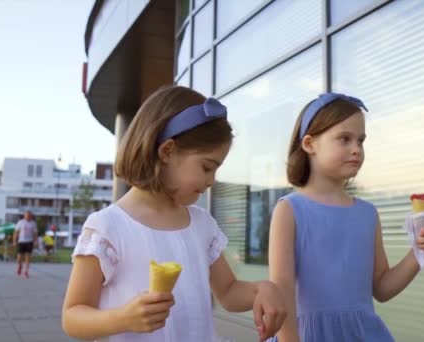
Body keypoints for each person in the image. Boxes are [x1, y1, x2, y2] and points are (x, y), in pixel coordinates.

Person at [62, 86, 287, 342]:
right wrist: (123, 318)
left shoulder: (202, 224)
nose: (212, 180)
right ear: (167, 151)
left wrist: (262, 289)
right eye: (207, 167)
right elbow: (72, 317)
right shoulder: (107, 227)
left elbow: (228, 291)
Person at [267, 93, 424, 342]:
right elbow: (281, 296)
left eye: (360, 141)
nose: (356, 149)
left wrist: (419, 252)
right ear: (309, 144)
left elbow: (382, 288)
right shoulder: (289, 210)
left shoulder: (367, 213)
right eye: (344, 139)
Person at [13, 211, 38, 278]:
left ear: (31, 216)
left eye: (29, 215)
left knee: (28, 257)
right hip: (21, 241)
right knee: (19, 258)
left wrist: (35, 241)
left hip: (29, 242)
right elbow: (16, 232)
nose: (28, 216)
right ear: (24, 216)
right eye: (26, 215)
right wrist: (14, 241)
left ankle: (26, 272)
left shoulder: (33, 223)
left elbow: (35, 234)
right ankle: (20, 266)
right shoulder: (20, 222)